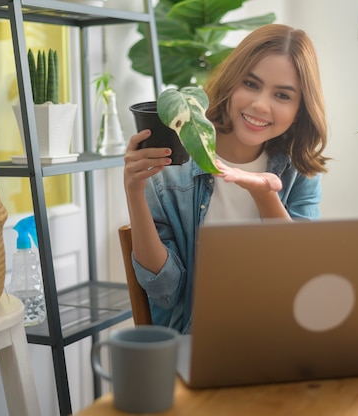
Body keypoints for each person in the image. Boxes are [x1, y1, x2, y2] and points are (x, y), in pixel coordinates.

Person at [123, 24, 329, 334]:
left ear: (300, 110)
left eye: (282, 95)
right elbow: (164, 290)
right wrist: (134, 191)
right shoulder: (172, 162)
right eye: (251, 83)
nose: (260, 105)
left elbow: (300, 281)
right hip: (197, 341)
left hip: (277, 337)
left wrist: (265, 196)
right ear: (231, 83)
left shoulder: (298, 172)